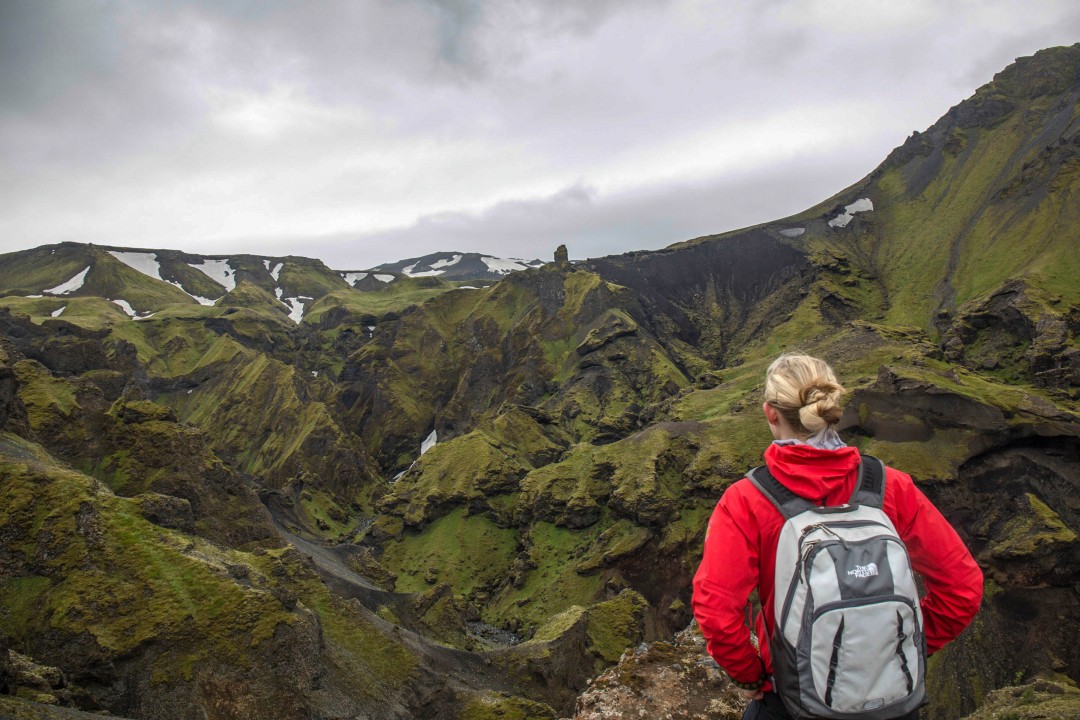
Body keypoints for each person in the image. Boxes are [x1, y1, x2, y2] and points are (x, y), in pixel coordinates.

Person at [692, 354, 983, 720]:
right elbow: (963, 585)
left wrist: (750, 674)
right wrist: (901, 647)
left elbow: (715, 609)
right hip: (893, 699)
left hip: (794, 701)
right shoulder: (891, 486)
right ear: (832, 408)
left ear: (770, 413)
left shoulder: (747, 500)